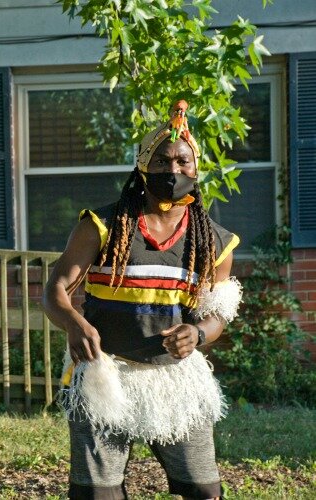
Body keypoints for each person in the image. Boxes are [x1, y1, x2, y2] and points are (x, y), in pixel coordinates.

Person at [43, 100, 243, 500]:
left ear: (196, 169)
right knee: (98, 495)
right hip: (105, 374)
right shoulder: (102, 226)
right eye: (163, 160)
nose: (173, 170)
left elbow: (218, 314)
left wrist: (198, 334)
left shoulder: (216, 241)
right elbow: (54, 292)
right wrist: (73, 323)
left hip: (176, 380)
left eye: (183, 161)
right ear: (143, 168)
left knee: (204, 490)